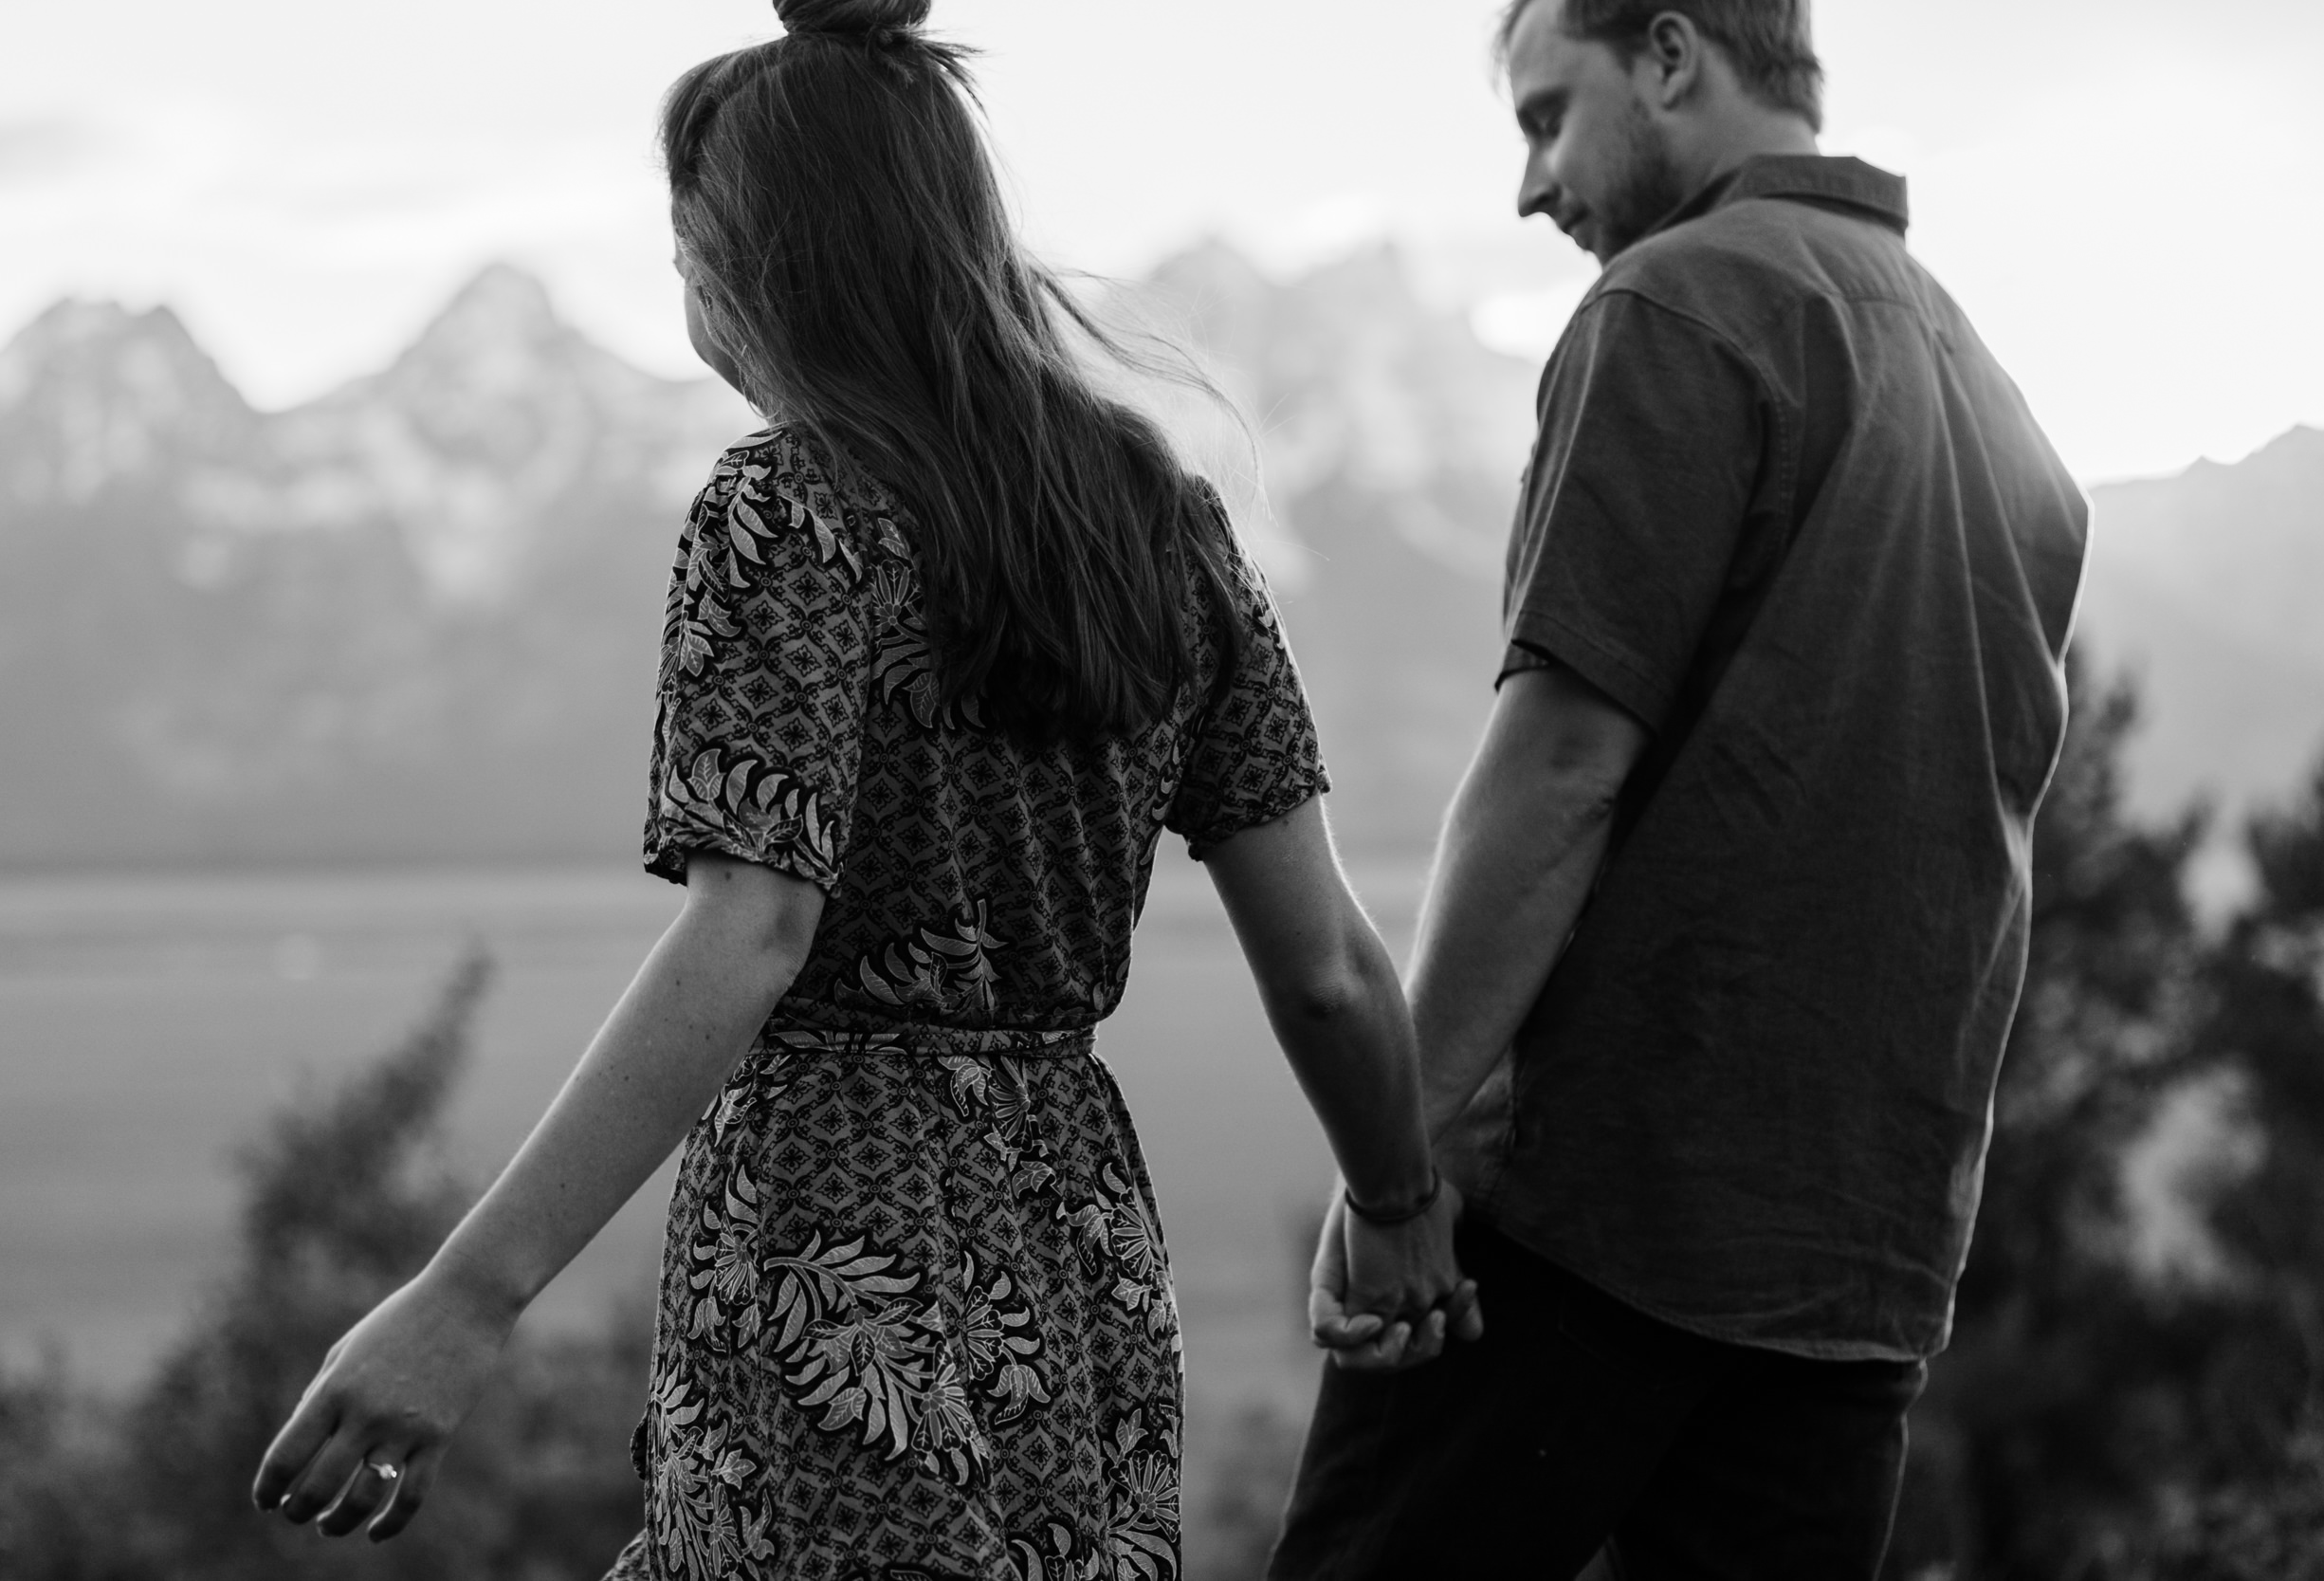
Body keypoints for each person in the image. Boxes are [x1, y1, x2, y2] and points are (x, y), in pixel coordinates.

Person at [247, 2, 1477, 1575]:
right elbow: (1327, 967)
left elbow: (752, 927)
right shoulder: (1169, 532)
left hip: (835, 1252)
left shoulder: (784, 506)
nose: (684, 289)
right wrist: (1398, 1197)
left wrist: (465, 1297)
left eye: (689, 247)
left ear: (770, 262)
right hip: (1076, 1241)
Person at [1273, 1, 2090, 1577]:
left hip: (1598, 1219)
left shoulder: (1680, 305)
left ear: (1667, 55)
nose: (1531, 187)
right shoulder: (2006, 412)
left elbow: (1562, 768)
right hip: (1862, 1267)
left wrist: (1399, 1156)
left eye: (1544, 117)